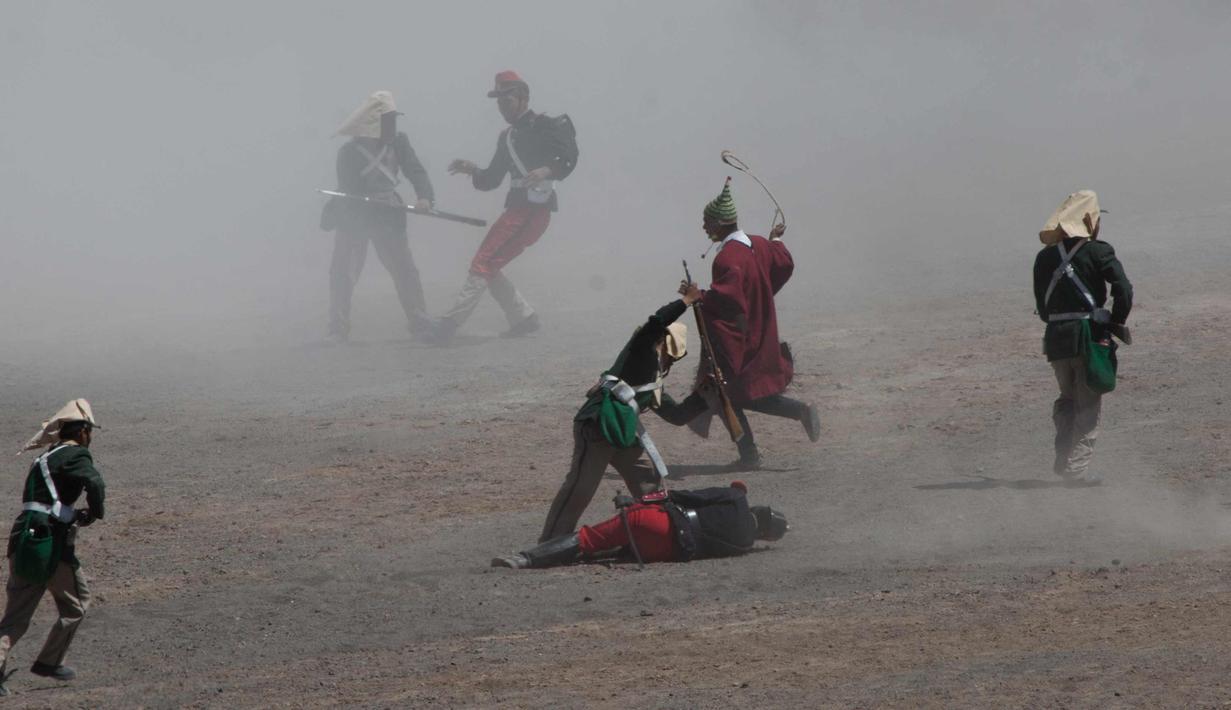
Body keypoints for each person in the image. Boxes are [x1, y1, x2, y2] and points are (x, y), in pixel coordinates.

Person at [538, 292, 711, 543]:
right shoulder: (642, 348)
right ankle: (551, 542)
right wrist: (685, 301)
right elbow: (656, 322)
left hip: (622, 430)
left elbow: (676, 416)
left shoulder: (653, 383)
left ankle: (658, 531)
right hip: (598, 424)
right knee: (580, 488)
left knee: (648, 482)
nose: (671, 361)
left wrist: (703, 395)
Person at [678, 178, 820, 468]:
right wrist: (776, 239)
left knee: (726, 394)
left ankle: (751, 453)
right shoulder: (758, 244)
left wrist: (698, 296)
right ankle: (796, 415)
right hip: (762, 327)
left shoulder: (728, 258)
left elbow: (728, 301)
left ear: (720, 224)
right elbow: (782, 261)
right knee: (747, 392)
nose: (705, 229)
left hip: (742, 337)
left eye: (707, 223)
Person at [434, 70, 578, 343]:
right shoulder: (507, 137)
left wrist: (547, 170)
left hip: (533, 211)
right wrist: (472, 169)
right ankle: (524, 318)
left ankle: (448, 325)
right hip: (518, 209)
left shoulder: (546, 125)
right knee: (490, 263)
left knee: (483, 261)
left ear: (523, 98)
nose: (502, 107)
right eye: (499, 102)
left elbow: (570, 157)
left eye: (507, 100)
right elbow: (491, 179)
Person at [0, 400, 107, 695]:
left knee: (16, 617)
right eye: (90, 431)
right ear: (83, 431)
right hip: (50, 544)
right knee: (77, 604)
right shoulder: (76, 455)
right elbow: (95, 483)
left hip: (23, 540)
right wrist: (95, 512)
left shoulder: (45, 458)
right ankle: (48, 662)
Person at [1033, 190, 1132, 483]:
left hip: (1056, 339)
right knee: (1088, 402)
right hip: (1088, 336)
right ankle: (1076, 469)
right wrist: (1115, 321)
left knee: (1067, 398)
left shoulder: (1044, 257)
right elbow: (1124, 289)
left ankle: (1063, 456)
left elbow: (1042, 307)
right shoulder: (1099, 251)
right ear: (1089, 220)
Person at [322, 90, 436, 343]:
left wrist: (424, 197)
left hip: (389, 214)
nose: (393, 125)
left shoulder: (399, 142)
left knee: (405, 270)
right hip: (355, 215)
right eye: (388, 120)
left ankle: (420, 321)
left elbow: (415, 171)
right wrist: (340, 211)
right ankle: (337, 328)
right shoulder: (348, 153)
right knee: (343, 271)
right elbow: (347, 188)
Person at [493, 481, 788, 569]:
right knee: (608, 549)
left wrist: (641, 499)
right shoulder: (744, 546)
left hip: (657, 522)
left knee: (588, 537)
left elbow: (685, 496)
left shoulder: (737, 497)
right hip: (663, 551)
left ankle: (524, 559)